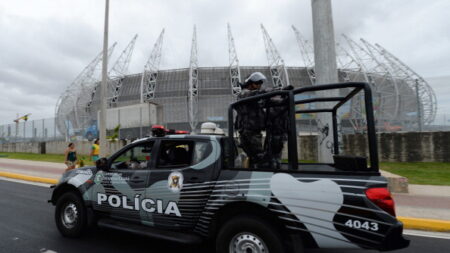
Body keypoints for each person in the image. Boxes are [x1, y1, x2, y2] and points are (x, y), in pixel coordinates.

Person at [235, 72, 269, 168]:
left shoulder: (253, 97)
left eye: (260, 84)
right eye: (257, 83)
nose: (259, 86)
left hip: (252, 131)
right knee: (259, 157)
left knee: (255, 158)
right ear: (250, 83)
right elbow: (258, 94)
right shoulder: (244, 93)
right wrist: (275, 90)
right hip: (249, 132)